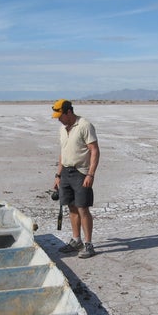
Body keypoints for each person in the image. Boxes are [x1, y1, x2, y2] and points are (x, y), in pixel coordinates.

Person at [51, 99, 100, 258]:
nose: (58, 118)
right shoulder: (62, 129)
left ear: (69, 112)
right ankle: (76, 240)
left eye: (60, 115)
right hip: (66, 172)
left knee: (82, 208)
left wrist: (90, 174)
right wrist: (58, 175)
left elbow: (94, 150)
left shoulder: (85, 125)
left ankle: (88, 244)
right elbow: (62, 152)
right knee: (71, 207)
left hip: (81, 173)